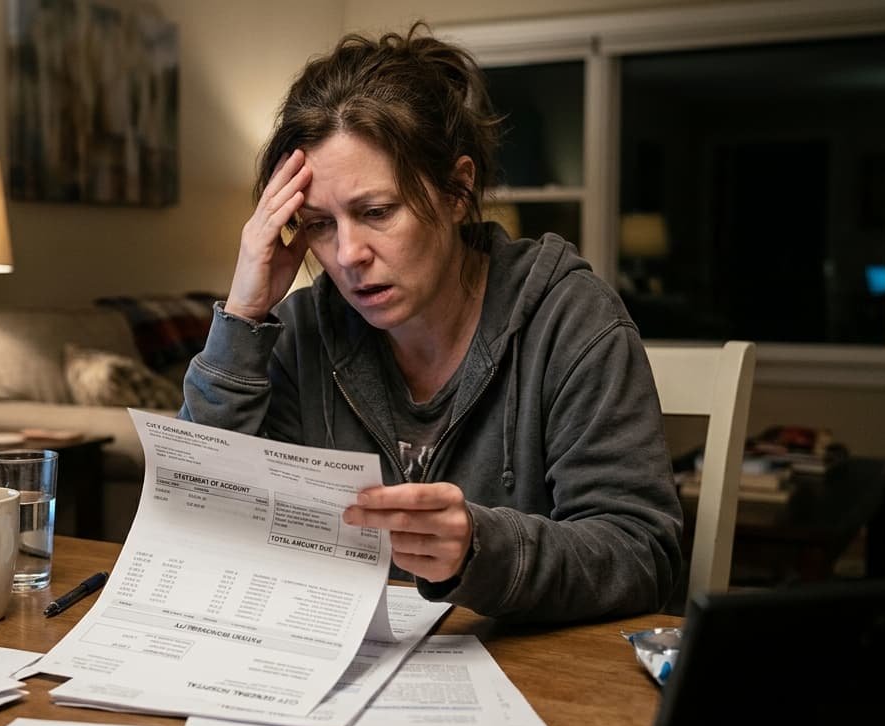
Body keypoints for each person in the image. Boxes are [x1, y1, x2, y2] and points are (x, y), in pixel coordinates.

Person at [180, 25, 683, 623]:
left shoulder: (570, 317)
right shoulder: (300, 330)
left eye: (376, 212)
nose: (347, 255)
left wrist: (480, 548)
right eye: (318, 224)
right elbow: (194, 517)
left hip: (529, 680)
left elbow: (641, 554)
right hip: (335, 673)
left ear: (457, 189)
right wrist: (242, 316)